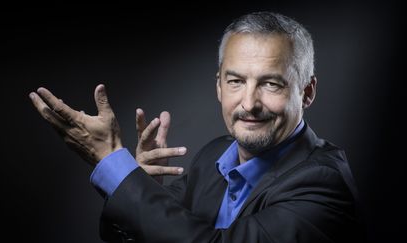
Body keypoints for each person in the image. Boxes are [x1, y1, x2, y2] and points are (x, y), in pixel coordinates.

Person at [29, 12, 361, 243]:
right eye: (235, 81)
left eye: (271, 84)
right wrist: (141, 184)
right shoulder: (215, 155)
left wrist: (116, 166)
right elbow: (139, 232)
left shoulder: (323, 183)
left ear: (307, 92)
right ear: (218, 86)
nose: (248, 103)